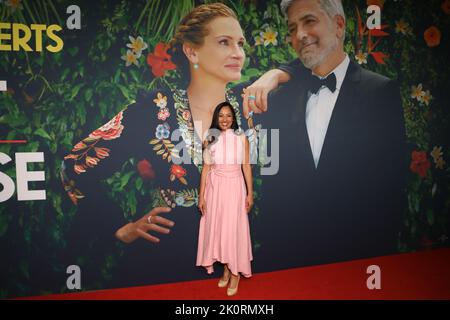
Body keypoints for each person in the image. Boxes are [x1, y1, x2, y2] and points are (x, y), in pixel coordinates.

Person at [60, 3, 289, 289]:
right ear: (192, 51)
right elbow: (74, 166)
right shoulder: (153, 110)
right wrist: (118, 226)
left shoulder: (251, 107)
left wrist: (275, 74)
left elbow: (311, 72)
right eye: (224, 42)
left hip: (238, 257)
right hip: (166, 263)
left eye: (240, 43)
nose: (238, 53)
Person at [242, 0, 407, 271]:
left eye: (309, 21)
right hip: (287, 265)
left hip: (355, 264)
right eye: (293, 28)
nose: (300, 34)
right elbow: (272, 180)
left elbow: (390, 193)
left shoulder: (380, 92)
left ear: (339, 25)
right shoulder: (280, 98)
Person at [196, 102, 253, 296]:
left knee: (233, 230)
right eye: (221, 116)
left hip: (234, 188)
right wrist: (201, 196)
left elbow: (246, 166)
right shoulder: (210, 138)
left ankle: (235, 272)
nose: (225, 120)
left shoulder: (241, 138)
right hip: (215, 189)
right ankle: (227, 269)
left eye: (228, 116)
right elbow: (206, 169)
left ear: (234, 118)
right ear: (216, 118)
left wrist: (249, 193)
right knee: (220, 230)